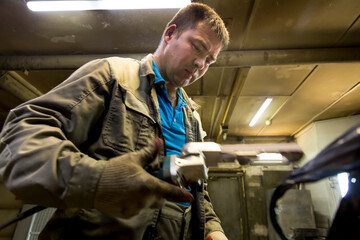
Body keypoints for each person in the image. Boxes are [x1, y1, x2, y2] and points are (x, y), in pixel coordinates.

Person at [0, 3, 229, 240]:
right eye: (198, 47)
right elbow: (22, 133)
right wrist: (96, 180)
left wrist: (213, 229)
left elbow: (196, 189)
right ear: (170, 34)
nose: (201, 64)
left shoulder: (191, 117)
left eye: (209, 61)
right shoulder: (112, 77)